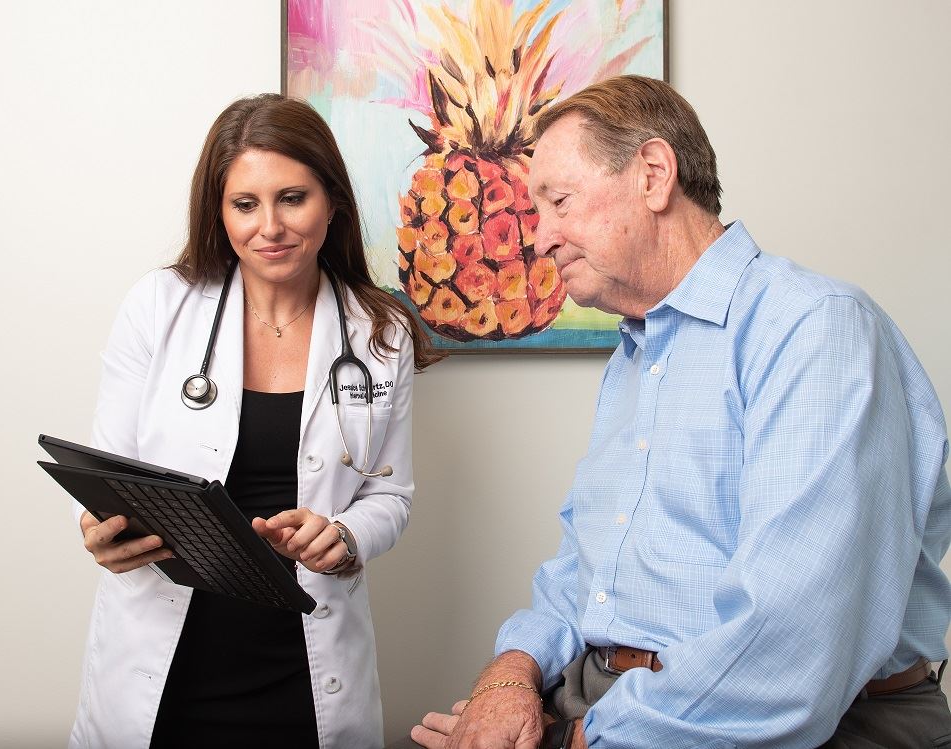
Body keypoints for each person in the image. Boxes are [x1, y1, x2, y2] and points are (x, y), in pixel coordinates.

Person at [401, 75, 951, 748]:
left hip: (803, 723)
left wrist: (567, 741)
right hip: (611, 694)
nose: (537, 239)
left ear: (654, 175)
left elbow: (787, 654)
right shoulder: (635, 355)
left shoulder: (813, 329)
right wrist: (510, 672)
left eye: (558, 201)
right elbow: (583, 567)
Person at [72, 94, 441, 749]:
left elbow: (390, 494)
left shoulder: (379, 332)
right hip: (165, 667)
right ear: (220, 211)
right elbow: (108, 473)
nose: (268, 225)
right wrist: (98, 530)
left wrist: (344, 534)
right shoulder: (158, 308)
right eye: (245, 204)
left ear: (332, 202)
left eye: (292, 197)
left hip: (303, 668)